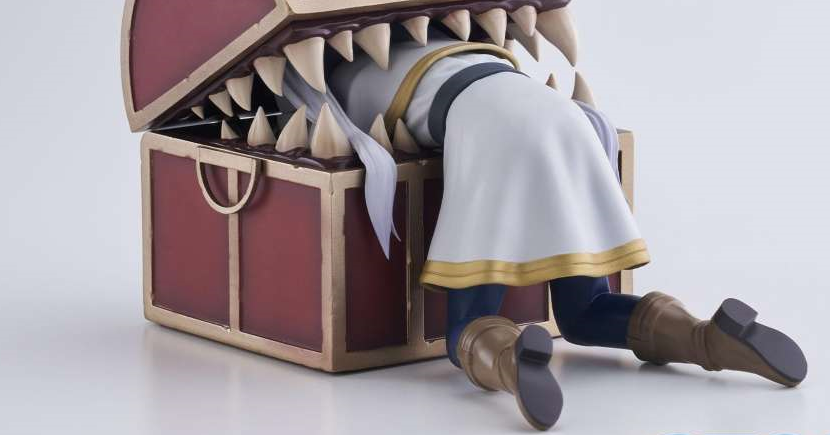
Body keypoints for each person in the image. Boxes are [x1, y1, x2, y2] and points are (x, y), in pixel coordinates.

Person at [318, 28, 807, 431]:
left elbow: (366, 146)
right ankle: (706, 337)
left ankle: (510, 360)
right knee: (584, 312)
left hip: (495, 135)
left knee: (466, 329)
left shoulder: (344, 81)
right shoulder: (464, 48)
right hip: (570, 121)